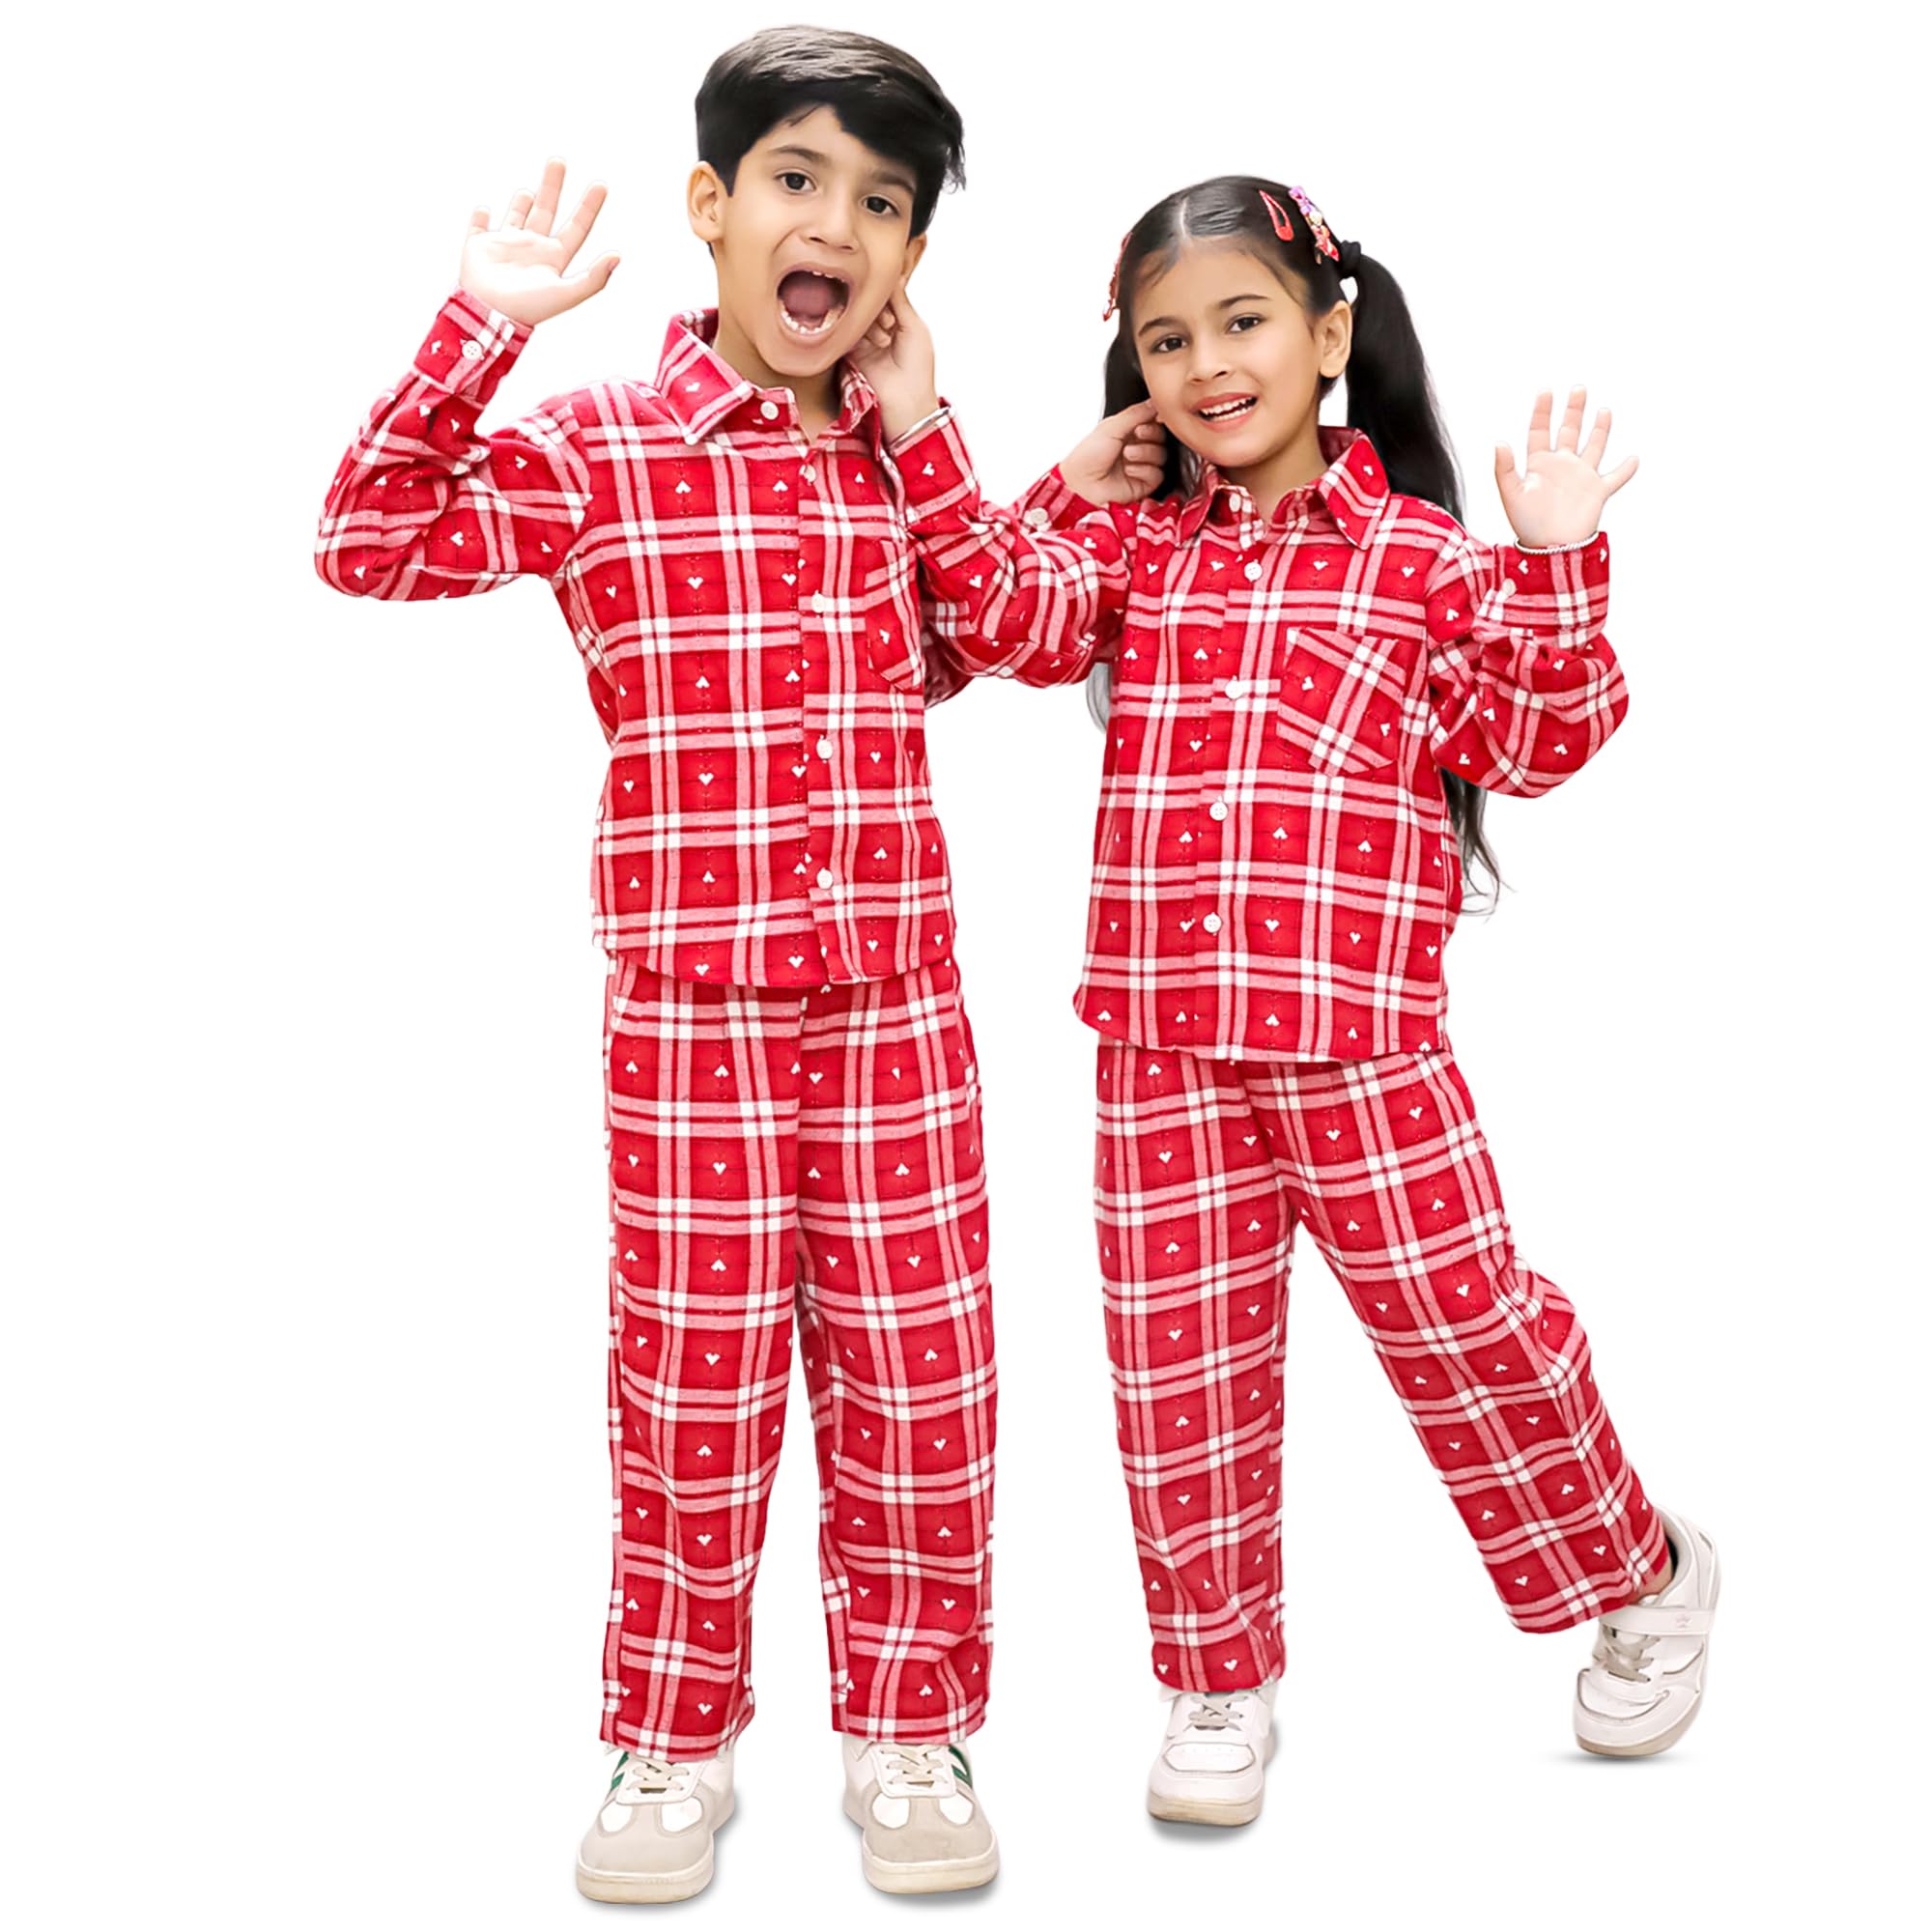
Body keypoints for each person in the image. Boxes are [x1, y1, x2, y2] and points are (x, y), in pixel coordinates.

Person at [852, 173, 1720, 1828]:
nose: (1205, 365)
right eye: (1166, 340)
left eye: (1242, 321)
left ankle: (1641, 1566)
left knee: (1465, 1327)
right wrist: (944, 432)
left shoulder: (1420, 558)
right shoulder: (1130, 546)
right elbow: (994, 620)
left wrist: (1556, 561)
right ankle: (1213, 1681)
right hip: (1159, 1050)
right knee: (1176, 1377)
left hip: (1363, 1050)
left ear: (1329, 337)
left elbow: (1535, 743)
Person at [312, 26, 1005, 1901]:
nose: (834, 225)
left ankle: (911, 1728)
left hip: (895, 1002)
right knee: (692, 1387)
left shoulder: (902, 457)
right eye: (796, 180)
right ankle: (671, 1738)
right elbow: (367, 540)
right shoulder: (603, 447)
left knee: (922, 1378)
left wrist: (938, 435)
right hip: (691, 1011)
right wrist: (482, 329)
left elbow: (1000, 636)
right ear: (713, 204)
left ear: (910, 255)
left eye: (881, 204)